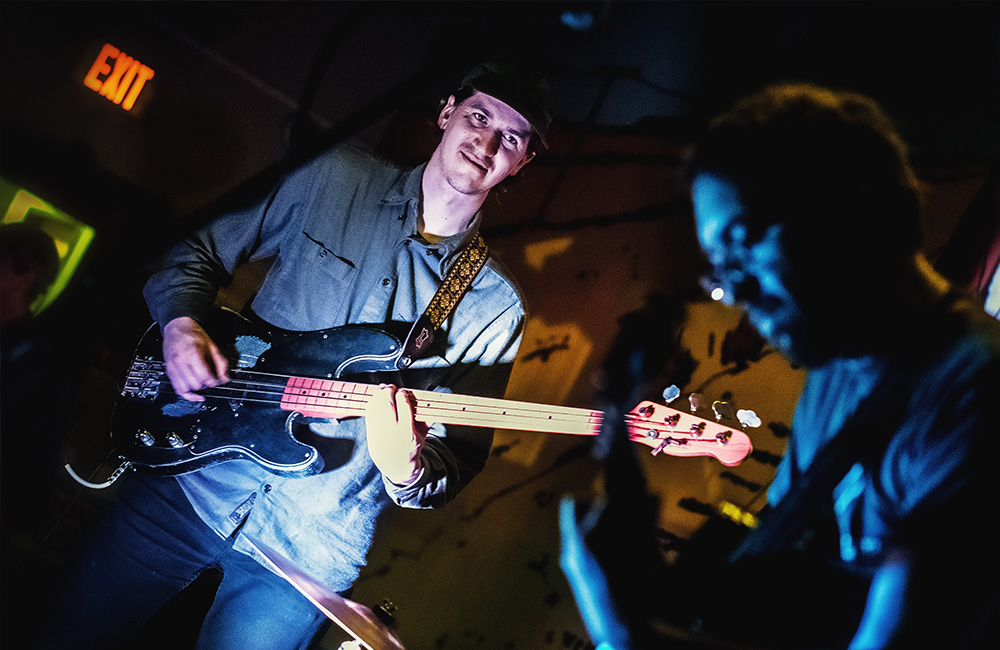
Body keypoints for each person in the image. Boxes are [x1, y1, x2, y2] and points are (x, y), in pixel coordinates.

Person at [35, 59, 552, 650]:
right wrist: (180, 327)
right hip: (190, 481)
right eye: (478, 117)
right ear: (446, 114)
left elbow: (454, 460)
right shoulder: (332, 178)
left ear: (523, 161)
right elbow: (195, 250)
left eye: (510, 137)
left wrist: (406, 469)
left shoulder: (493, 307)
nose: (485, 143)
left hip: (307, 552)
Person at [561, 83, 1000, 649]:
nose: (736, 291)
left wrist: (624, 634)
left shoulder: (974, 394)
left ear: (845, 207)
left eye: (742, 245)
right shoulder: (836, 372)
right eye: (720, 267)